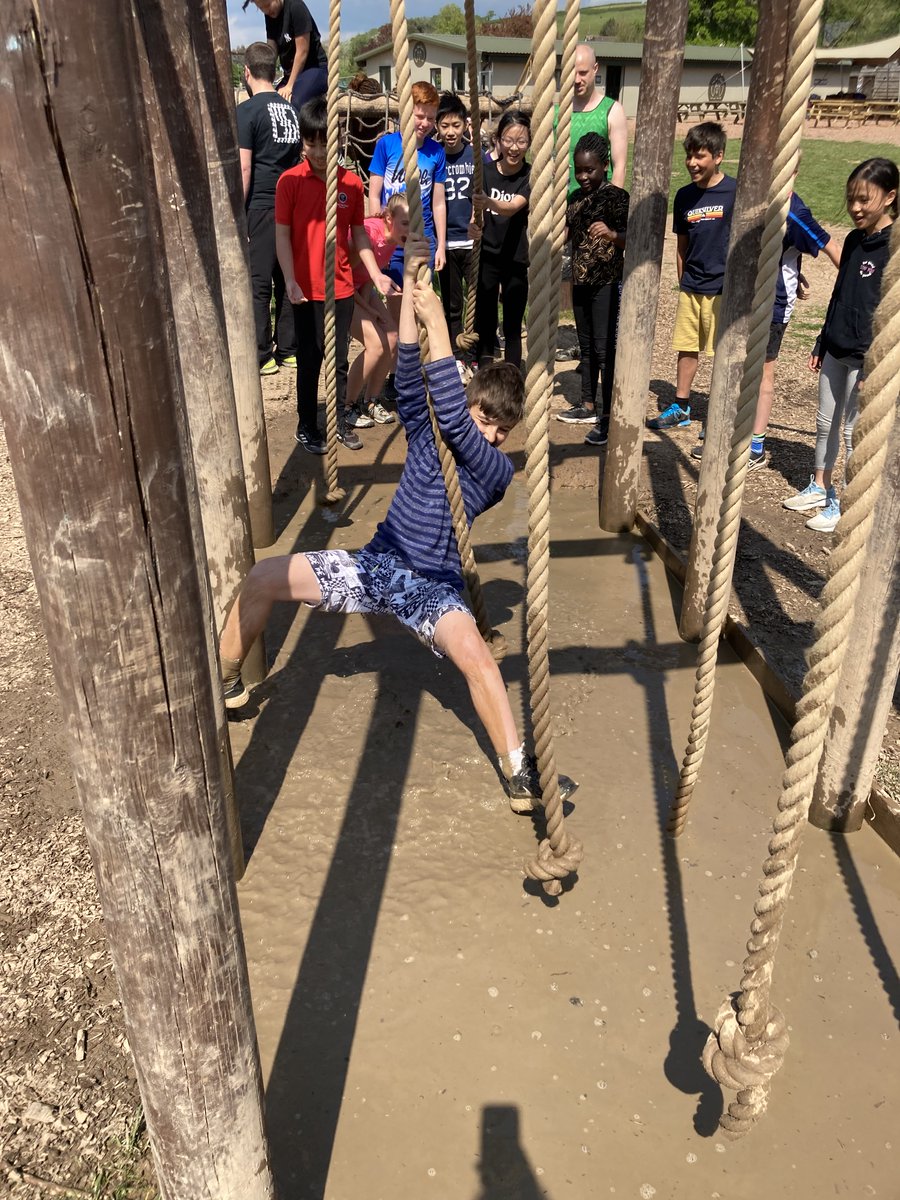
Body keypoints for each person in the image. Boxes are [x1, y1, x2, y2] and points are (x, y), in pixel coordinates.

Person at [219, 233, 577, 812]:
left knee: (478, 658)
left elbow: (457, 424)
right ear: (469, 402)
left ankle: (518, 772)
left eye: (501, 430)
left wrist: (437, 317)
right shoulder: (431, 428)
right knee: (263, 576)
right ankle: (225, 682)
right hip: (379, 564)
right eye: (486, 419)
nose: (491, 434)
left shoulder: (492, 470)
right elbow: (411, 379)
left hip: (433, 587)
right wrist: (412, 303)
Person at [275, 96, 398, 454]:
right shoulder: (290, 182)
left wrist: (374, 274)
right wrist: (289, 279)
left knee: (339, 358)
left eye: (323, 142)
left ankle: (339, 418)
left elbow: (360, 234)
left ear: (338, 140)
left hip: (341, 285)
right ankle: (306, 425)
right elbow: (282, 235)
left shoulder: (350, 185)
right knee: (310, 359)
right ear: (303, 141)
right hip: (305, 287)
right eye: (310, 142)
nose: (316, 150)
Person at [783, 157, 897, 533]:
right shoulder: (852, 240)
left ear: (890, 196)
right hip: (836, 346)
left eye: (864, 199)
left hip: (866, 356)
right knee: (824, 423)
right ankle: (820, 485)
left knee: (852, 431)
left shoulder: (893, 248)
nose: (855, 208)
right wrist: (822, 338)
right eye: (851, 199)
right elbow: (840, 292)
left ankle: (844, 501)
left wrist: (875, 363)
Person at [690, 185, 841, 467]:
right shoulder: (747, 198)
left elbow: (829, 246)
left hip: (772, 305)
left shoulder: (793, 210)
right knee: (732, 362)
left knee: (763, 371)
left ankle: (755, 444)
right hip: (738, 298)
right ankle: (728, 430)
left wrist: (860, 287)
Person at [648, 122, 737, 432]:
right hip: (692, 286)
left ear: (718, 156)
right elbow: (681, 245)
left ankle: (719, 413)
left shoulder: (735, 191)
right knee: (687, 346)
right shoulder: (684, 196)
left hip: (723, 287)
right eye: (688, 156)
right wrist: (684, 280)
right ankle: (681, 406)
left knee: (722, 352)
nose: (692, 163)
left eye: (699, 156)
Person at [556, 133, 629, 447]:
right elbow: (567, 233)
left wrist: (612, 234)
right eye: (579, 170)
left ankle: (610, 418)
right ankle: (587, 405)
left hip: (607, 283)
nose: (584, 176)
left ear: (605, 166)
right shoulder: (574, 198)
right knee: (585, 346)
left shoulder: (617, 197)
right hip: (581, 281)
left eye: (590, 170)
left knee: (604, 350)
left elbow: (632, 238)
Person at [236, 42, 301, 377]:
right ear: (275, 72)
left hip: (261, 204)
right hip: (291, 203)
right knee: (286, 276)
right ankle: (288, 349)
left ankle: (263, 355)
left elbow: (245, 168)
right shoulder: (290, 110)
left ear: (247, 72)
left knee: (258, 282)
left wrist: (238, 213)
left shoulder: (246, 111)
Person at [368, 82, 447, 288]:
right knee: (396, 295)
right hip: (393, 232)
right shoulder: (386, 145)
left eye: (431, 118)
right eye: (420, 116)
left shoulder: (436, 152)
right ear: (406, 112)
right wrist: (378, 234)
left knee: (420, 296)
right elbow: (374, 195)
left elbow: (438, 203)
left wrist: (441, 246)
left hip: (423, 232)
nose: (425, 123)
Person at [472, 110, 532, 371]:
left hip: (515, 257)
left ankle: (512, 377)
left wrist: (489, 202)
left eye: (521, 141)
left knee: (512, 324)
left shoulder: (530, 175)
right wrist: (471, 229)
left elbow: (512, 207)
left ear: (529, 143)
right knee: (485, 321)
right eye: (509, 140)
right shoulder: (483, 173)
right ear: (498, 140)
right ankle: (485, 375)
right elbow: (470, 217)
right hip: (488, 255)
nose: (514, 147)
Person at [346, 194, 410, 429]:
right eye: (405, 223)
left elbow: (364, 279)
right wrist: (367, 311)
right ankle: (348, 405)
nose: (409, 229)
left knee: (392, 336)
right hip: (339, 291)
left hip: (360, 288)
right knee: (375, 343)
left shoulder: (393, 241)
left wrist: (370, 307)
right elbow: (343, 276)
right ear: (389, 218)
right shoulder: (369, 235)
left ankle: (371, 400)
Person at [436, 92, 477, 353]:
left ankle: (474, 352)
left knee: (476, 300)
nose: (450, 132)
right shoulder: (434, 157)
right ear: (436, 126)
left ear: (465, 125)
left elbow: (483, 193)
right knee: (452, 304)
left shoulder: (476, 157)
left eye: (456, 125)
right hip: (446, 241)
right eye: (444, 126)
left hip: (471, 239)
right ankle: (454, 354)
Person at [564, 44, 628, 193]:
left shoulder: (612, 111)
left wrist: (611, 206)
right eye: (572, 73)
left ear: (595, 69)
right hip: (561, 205)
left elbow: (619, 167)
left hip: (598, 204)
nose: (577, 79)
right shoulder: (558, 112)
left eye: (583, 73)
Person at [245, 0, 327, 111]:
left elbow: (302, 52)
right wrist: (261, 78)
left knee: (293, 103)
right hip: (289, 75)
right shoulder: (270, 15)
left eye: (268, 5)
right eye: (262, 9)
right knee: (269, 104)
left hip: (314, 69)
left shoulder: (296, 6)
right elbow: (271, 52)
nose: (267, 11)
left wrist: (289, 86)